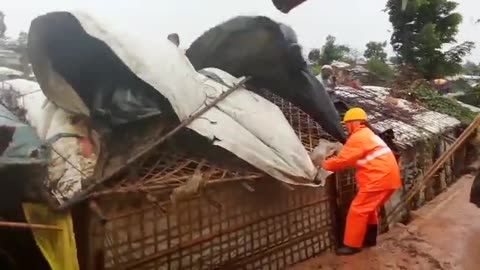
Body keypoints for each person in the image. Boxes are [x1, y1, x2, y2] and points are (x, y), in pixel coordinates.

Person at [321, 107, 402, 256]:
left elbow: (343, 160)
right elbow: (357, 159)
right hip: (389, 178)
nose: (346, 127)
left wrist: (323, 164)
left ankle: (352, 245)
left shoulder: (358, 137)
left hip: (378, 179)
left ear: (352, 123)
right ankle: (370, 239)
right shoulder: (369, 135)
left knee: (357, 210)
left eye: (346, 124)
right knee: (368, 209)